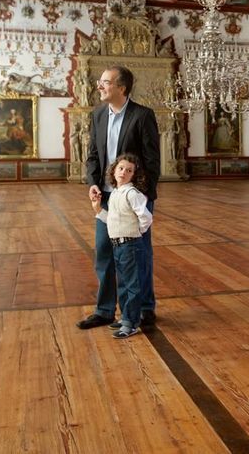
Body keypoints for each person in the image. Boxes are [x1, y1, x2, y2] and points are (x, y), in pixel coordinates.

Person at [78, 65, 161, 331]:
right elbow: (93, 155)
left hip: (132, 199)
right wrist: (93, 183)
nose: (99, 86)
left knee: (139, 256)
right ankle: (104, 311)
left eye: (105, 82)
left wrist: (140, 197)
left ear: (121, 87)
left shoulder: (142, 116)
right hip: (105, 198)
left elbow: (152, 161)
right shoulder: (98, 115)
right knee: (104, 254)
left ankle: (144, 310)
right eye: (101, 82)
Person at [91, 153, 152, 339]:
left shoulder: (133, 194)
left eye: (129, 170)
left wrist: (135, 233)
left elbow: (146, 217)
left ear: (134, 175)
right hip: (118, 245)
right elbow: (111, 221)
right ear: (114, 170)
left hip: (130, 245)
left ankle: (131, 323)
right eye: (121, 168)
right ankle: (126, 316)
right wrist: (97, 209)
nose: (124, 172)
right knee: (123, 284)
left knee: (132, 285)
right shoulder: (116, 193)